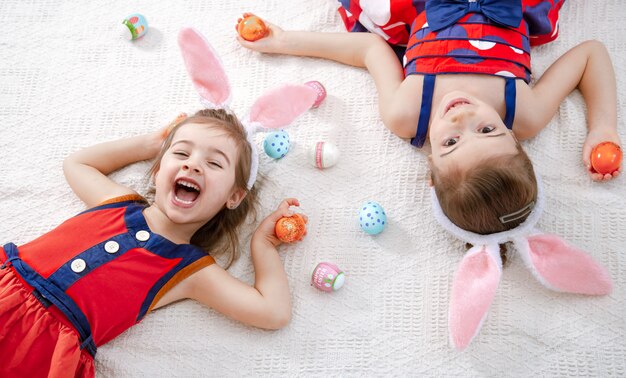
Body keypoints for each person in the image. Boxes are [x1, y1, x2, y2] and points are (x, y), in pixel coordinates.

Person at [237, 0, 621, 242]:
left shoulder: (406, 112)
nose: (461, 117)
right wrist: (602, 127)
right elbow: (591, 54)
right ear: (515, 137)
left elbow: (370, 49)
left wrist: (285, 41)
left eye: (450, 142)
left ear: (431, 169)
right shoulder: (525, 110)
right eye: (487, 130)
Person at [0, 108, 306, 376]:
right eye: (182, 153)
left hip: (43, 351)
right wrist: (151, 144)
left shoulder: (190, 270)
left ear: (233, 197)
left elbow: (273, 312)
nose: (193, 165)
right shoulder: (117, 201)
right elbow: (77, 165)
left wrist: (263, 245)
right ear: (159, 171)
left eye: (214, 164)